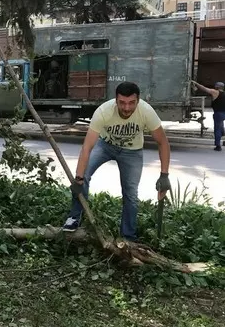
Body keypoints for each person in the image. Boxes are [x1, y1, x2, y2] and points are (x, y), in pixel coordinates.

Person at [62, 82, 171, 240]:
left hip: (132, 151)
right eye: (122, 103)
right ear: (116, 100)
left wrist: (164, 175)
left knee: (130, 193)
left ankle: (128, 237)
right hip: (105, 145)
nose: (127, 108)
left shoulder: (146, 112)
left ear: (138, 100)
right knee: (82, 176)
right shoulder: (104, 111)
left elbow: (163, 142)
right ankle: (74, 217)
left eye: (131, 103)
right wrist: (79, 179)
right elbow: (87, 147)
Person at [192, 80, 225, 151]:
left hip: (218, 113)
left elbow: (204, 89)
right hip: (223, 113)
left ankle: (218, 146)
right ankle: (222, 133)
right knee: (221, 127)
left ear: (217, 87)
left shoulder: (215, 92)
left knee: (217, 129)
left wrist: (196, 84)